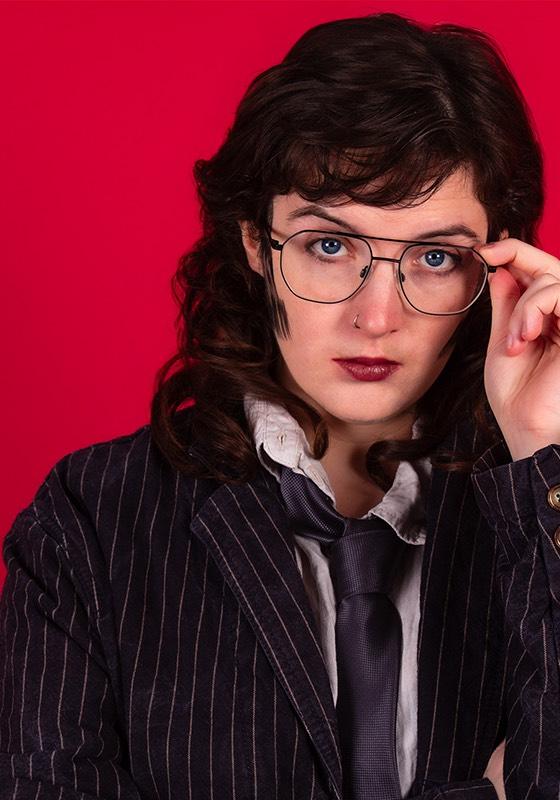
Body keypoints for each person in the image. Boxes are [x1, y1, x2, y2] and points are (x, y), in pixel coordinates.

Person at [1, 11, 559, 800]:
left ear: (498, 268)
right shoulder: (91, 520)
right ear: (255, 243)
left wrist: (542, 449)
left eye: (436, 257)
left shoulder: (541, 511)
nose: (376, 317)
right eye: (329, 245)